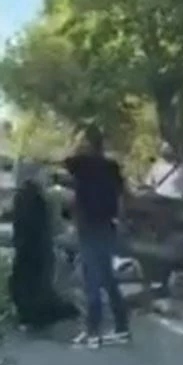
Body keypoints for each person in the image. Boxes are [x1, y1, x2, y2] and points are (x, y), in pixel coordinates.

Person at [64, 126, 130, 348]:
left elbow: (67, 160)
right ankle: (122, 326)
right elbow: (122, 197)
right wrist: (120, 222)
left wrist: (76, 142)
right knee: (107, 277)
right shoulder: (111, 167)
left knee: (91, 279)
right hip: (107, 225)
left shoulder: (80, 165)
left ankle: (93, 331)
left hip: (88, 225)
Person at [9, 160, 78, 331]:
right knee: (37, 281)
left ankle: (31, 316)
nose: (48, 179)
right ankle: (39, 315)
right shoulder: (38, 197)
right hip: (36, 249)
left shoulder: (23, 196)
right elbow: (49, 225)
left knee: (28, 280)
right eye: (44, 175)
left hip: (27, 249)